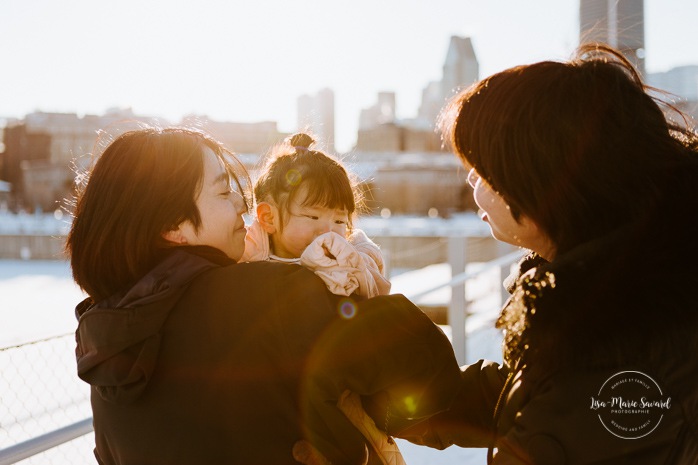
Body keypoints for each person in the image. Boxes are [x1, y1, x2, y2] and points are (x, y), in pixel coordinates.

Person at [365, 44, 698, 463]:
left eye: (484, 169)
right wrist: (386, 398)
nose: (471, 181)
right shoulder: (622, 303)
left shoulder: (617, 360)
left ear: (541, 186)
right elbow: (525, 394)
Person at [67, 127, 462, 464]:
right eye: (224, 194)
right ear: (175, 226)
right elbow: (426, 375)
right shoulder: (273, 295)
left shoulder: (105, 344)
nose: (243, 204)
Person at [241, 132, 391, 298]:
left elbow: (373, 289)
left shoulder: (353, 256)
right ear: (269, 218)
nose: (328, 231)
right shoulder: (247, 253)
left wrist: (339, 267)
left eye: (339, 220)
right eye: (313, 217)